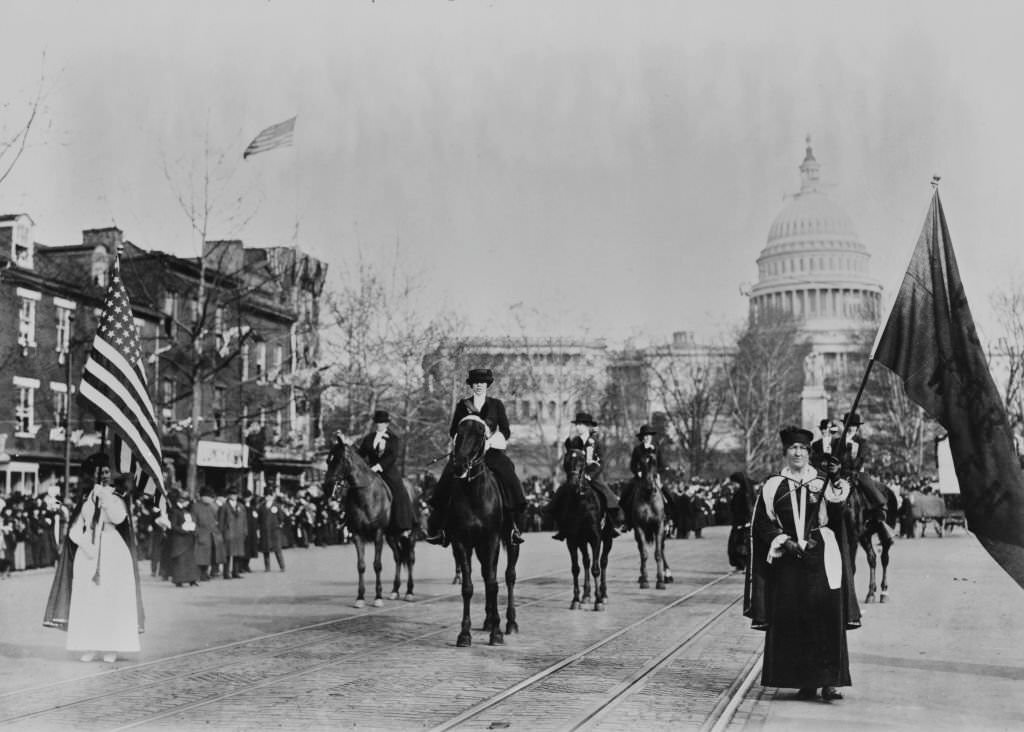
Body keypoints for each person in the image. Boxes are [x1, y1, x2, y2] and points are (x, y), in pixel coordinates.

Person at [748, 426, 854, 701]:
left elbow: (838, 511)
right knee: (796, 620)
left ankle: (830, 681)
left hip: (820, 555)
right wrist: (784, 540)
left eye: (803, 449)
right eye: (793, 448)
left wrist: (835, 477)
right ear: (785, 452)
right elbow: (762, 523)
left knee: (826, 617)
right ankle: (805, 681)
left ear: (809, 453)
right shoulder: (773, 485)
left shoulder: (822, 482)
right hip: (789, 559)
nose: (798, 452)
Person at [44, 453, 143, 664]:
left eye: (107, 472)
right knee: (89, 599)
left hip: (112, 549)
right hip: (89, 552)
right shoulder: (87, 497)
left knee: (110, 598)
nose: (104, 475)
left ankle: (111, 646)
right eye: (100, 472)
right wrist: (83, 542)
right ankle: (89, 645)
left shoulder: (118, 496)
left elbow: (119, 518)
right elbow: (76, 526)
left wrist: (105, 498)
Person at [425, 368, 527, 546]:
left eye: (482, 383)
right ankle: (441, 529)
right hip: (466, 452)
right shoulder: (462, 405)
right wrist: (461, 445)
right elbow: (453, 430)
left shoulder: (496, 405)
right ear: (471, 386)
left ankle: (513, 526)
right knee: (446, 478)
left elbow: (505, 430)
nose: (479, 386)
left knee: (508, 475)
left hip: (491, 451)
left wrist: (490, 441)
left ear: (487, 385)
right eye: (476, 383)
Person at [549, 412, 622, 541]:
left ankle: (612, 525)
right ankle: (562, 527)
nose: (578, 427)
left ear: (588, 426)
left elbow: (601, 462)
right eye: (577, 425)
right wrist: (571, 473)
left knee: (608, 495)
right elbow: (569, 460)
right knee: (562, 494)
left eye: (581, 425)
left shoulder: (596, 442)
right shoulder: (574, 442)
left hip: (593, 477)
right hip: (576, 477)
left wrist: (590, 475)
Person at [356, 410, 414, 537]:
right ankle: (353, 521)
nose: (379, 425)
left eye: (382, 422)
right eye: (377, 422)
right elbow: (361, 454)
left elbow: (392, 456)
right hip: (370, 472)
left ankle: (403, 524)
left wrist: (378, 466)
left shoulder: (393, 439)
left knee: (399, 491)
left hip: (388, 471)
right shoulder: (368, 438)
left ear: (387, 424)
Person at [619, 424, 665, 531]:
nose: (647, 437)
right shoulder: (637, 450)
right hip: (640, 478)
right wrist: (637, 472)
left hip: (654, 478)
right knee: (626, 493)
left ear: (651, 437)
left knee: (668, 494)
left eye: (649, 435)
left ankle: (669, 518)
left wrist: (657, 474)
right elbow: (632, 465)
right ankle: (626, 521)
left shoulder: (656, 449)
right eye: (645, 435)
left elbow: (662, 466)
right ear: (642, 437)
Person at [166, 490, 201, 587]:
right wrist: (183, 530)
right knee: (180, 561)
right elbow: (173, 526)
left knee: (190, 560)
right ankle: (179, 580)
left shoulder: (187, 511)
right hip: (180, 540)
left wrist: (193, 529)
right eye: (186, 501)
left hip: (189, 539)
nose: (188, 503)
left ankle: (192, 579)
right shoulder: (175, 511)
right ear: (181, 501)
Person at [193, 487, 225, 581]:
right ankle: (200, 574)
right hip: (201, 534)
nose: (211, 499)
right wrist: (197, 532)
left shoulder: (212, 507)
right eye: (209, 497)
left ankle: (206, 572)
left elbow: (216, 519)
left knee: (209, 556)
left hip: (212, 535)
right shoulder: (196, 506)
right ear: (203, 497)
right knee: (200, 557)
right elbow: (193, 521)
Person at [726, 471, 756, 571]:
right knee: (735, 546)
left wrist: (746, 522)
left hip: (744, 525)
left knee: (741, 545)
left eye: (734, 483)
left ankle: (743, 565)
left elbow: (749, 510)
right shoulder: (738, 493)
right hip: (738, 523)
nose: (732, 485)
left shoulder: (745, 494)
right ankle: (740, 565)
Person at [218, 486, 249, 579]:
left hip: (239, 532)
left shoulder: (241, 506)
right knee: (227, 554)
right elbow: (221, 520)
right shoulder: (224, 506)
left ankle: (235, 571)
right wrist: (221, 532)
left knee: (238, 554)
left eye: (235, 494)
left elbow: (245, 520)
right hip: (229, 532)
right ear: (228, 495)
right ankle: (226, 573)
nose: (234, 496)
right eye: (232, 494)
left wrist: (245, 530)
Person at [259, 492, 287, 571]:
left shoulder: (276, 506)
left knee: (277, 549)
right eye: (266, 496)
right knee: (266, 550)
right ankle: (267, 567)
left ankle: (282, 566)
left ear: (272, 497)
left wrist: (279, 525)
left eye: (270, 496)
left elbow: (281, 517)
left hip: (274, 530)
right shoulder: (262, 506)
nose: (268, 498)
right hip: (265, 530)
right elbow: (259, 518)